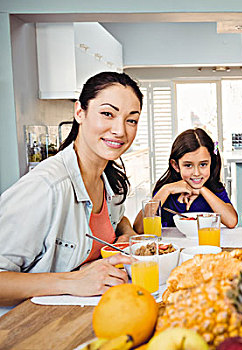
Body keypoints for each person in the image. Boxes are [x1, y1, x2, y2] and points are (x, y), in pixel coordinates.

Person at [0, 71, 142, 306]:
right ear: (80, 112)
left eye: (131, 120)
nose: (120, 130)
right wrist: (71, 281)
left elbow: (116, 220)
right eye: (107, 114)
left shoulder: (109, 180)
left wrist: (126, 235)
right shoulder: (46, 187)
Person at [134, 128, 237, 230]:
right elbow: (139, 228)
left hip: (207, 245)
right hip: (174, 246)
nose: (196, 173)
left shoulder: (214, 189)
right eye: (188, 165)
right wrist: (166, 189)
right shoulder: (166, 191)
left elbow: (231, 221)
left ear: (211, 163)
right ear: (176, 166)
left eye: (203, 164)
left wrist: (202, 190)